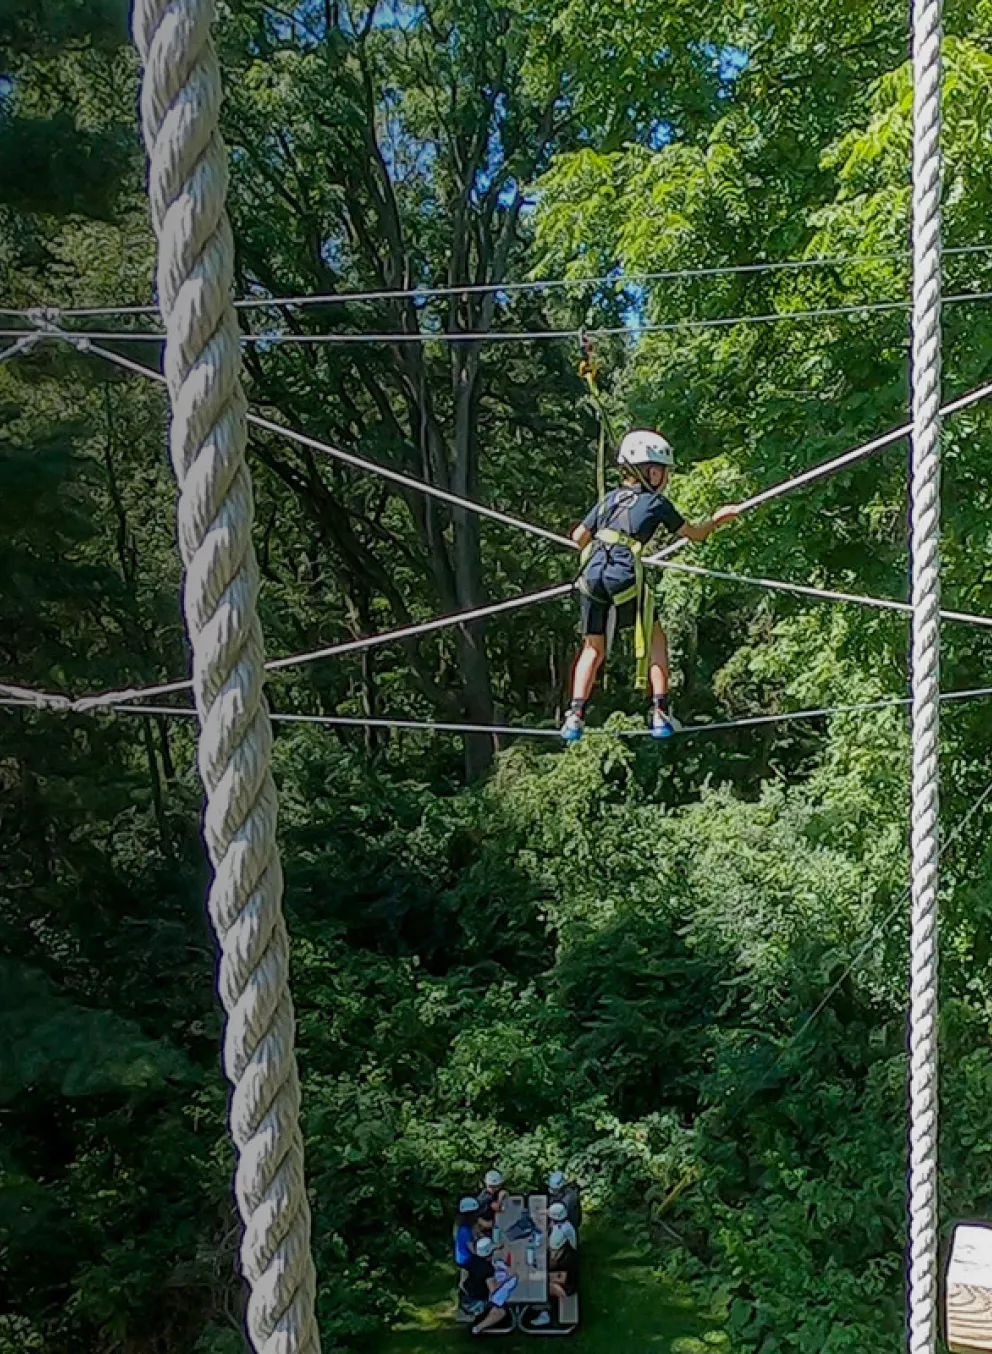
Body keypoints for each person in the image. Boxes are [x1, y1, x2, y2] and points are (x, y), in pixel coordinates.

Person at [561, 429, 739, 742]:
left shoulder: (608, 500)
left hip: (591, 577)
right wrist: (718, 519)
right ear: (651, 472)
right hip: (624, 576)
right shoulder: (657, 503)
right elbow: (694, 535)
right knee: (656, 639)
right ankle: (659, 713)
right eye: (665, 472)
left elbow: (578, 538)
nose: (667, 478)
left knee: (593, 647)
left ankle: (574, 717)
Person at [470, 1236, 519, 1336]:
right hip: (478, 1299)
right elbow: (493, 1289)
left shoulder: (475, 1260)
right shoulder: (487, 1269)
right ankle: (478, 1327)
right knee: (500, 1312)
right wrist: (507, 1277)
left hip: (469, 1290)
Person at [547, 1205, 579, 1307]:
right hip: (560, 1273)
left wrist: (545, 1278)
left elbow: (562, 1278)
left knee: (540, 1286)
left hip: (566, 1287)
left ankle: (545, 1312)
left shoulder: (567, 1256)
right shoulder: (564, 1225)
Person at [476, 1168, 508, 1235]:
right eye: (491, 1186)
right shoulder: (486, 1196)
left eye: (496, 1186)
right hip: (484, 1227)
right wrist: (500, 1197)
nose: (493, 1188)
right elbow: (497, 1208)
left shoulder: (490, 1194)